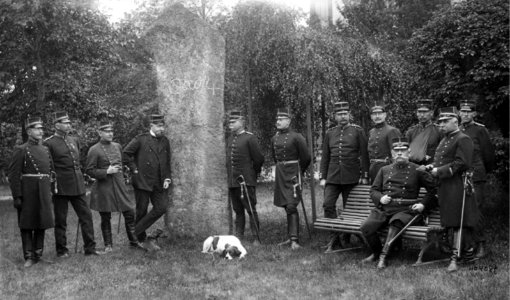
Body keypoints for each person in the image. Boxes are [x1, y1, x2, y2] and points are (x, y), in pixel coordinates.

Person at [360, 137, 437, 269]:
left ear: (409, 152)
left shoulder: (418, 170)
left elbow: (433, 191)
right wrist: (380, 198)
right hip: (386, 208)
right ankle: (376, 253)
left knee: (396, 223)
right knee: (366, 227)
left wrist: (423, 205)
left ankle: (384, 257)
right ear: (392, 153)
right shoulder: (384, 170)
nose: (400, 153)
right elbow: (374, 190)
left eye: (403, 150)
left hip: (406, 209)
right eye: (396, 151)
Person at [425, 106, 478, 272]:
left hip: (457, 185)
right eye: (440, 122)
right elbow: (443, 160)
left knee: (458, 221)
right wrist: (432, 166)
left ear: (456, 122)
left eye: (445, 122)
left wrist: (438, 171)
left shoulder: (463, 138)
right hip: (445, 185)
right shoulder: (445, 139)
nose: (441, 125)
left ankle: (457, 257)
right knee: (450, 220)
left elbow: (461, 163)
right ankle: (466, 255)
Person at [44, 111, 101, 257]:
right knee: (61, 220)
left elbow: (77, 162)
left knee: (86, 217)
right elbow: (49, 167)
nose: (69, 125)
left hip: (78, 185)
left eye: (69, 122)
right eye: (66, 123)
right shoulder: (49, 143)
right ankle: (61, 250)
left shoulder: (74, 140)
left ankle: (90, 248)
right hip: (61, 186)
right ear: (57, 125)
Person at [86, 120, 146, 252]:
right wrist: (106, 171)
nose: (110, 134)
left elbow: (121, 162)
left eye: (111, 131)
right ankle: (108, 245)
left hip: (119, 185)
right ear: (100, 133)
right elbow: (89, 170)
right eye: (106, 131)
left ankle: (134, 242)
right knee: (105, 216)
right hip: (104, 187)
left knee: (129, 212)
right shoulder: (94, 150)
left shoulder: (118, 146)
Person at [320, 101, 369, 252]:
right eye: (339, 114)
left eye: (345, 114)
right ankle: (334, 238)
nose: (342, 117)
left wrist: (365, 175)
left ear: (349, 115)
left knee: (350, 209)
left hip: (351, 176)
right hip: (333, 177)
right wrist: (323, 176)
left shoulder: (357, 131)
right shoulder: (330, 133)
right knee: (328, 205)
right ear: (335, 116)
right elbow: (325, 157)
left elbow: (364, 155)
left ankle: (348, 237)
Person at [8, 116, 56, 267]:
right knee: (27, 224)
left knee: (42, 222)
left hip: (43, 190)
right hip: (28, 192)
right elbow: (13, 175)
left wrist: (52, 189)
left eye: (42, 128)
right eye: (37, 128)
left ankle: (38, 254)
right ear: (29, 131)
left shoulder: (45, 150)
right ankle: (28, 256)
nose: (41, 131)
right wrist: (17, 196)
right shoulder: (21, 149)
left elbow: (51, 171)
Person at [123, 114, 172, 250]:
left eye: (163, 126)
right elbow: (125, 154)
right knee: (142, 211)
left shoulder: (165, 141)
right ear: (151, 126)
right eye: (159, 126)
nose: (161, 129)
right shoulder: (141, 139)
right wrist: (134, 169)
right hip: (142, 181)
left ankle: (134, 232)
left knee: (161, 208)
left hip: (159, 182)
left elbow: (167, 161)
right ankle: (140, 240)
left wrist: (167, 177)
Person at [459, 99, 495, 258]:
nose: (465, 114)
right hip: (460, 175)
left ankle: (481, 245)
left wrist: (480, 173)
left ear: (474, 113)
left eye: (469, 111)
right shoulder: (456, 129)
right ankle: (466, 245)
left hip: (476, 175)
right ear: (459, 113)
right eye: (463, 111)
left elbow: (488, 156)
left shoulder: (480, 130)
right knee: (463, 210)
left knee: (476, 209)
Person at [271, 108, 311, 250]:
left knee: (291, 205)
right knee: (286, 205)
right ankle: (290, 238)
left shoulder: (297, 137)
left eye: (281, 120)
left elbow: (306, 157)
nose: (278, 122)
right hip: (281, 173)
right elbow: (275, 157)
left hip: (294, 172)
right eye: (277, 120)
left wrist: (300, 171)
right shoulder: (274, 138)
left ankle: (294, 240)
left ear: (288, 121)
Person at [226, 110, 265, 244]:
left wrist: (252, 174)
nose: (230, 124)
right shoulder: (230, 139)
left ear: (241, 122)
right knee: (238, 210)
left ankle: (256, 238)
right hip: (233, 182)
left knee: (250, 209)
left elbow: (259, 159)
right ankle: (239, 237)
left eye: (233, 122)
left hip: (246, 181)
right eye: (229, 122)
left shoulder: (250, 138)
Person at [367, 103, 401, 183]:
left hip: (387, 168)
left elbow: (396, 154)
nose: (377, 116)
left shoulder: (392, 130)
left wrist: (396, 171)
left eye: (380, 114)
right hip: (373, 169)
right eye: (374, 114)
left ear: (385, 115)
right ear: (371, 117)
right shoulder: (371, 132)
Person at [405, 99, 443, 165]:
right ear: (416, 113)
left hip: (432, 167)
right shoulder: (411, 131)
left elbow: (442, 152)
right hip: (415, 167)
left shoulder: (439, 130)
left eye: (425, 112)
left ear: (431, 113)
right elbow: (406, 152)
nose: (422, 115)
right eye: (419, 112)